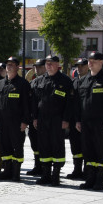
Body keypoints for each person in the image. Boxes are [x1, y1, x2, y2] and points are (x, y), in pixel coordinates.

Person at [73, 51, 103, 190]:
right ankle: (89, 179)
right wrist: (78, 120)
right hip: (86, 122)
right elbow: (79, 102)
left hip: (100, 123)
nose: (90, 63)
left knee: (100, 151)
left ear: (101, 62)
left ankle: (100, 180)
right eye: (89, 60)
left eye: (94, 60)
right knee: (87, 150)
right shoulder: (84, 80)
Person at [32, 55, 75, 186]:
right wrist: (34, 117)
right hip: (42, 119)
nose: (48, 66)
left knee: (57, 146)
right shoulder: (40, 80)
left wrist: (66, 119)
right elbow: (35, 100)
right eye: (47, 63)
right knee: (44, 146)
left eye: (51, 63)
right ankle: (46, 174)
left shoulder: (65, 81)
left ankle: (55, 175)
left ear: (58, 65)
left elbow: (70, 102)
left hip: (58, 119)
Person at [0, 57, 32, 182]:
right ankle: (7, 171)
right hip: (3, 122)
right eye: (7, 64)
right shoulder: (1, 83)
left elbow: (27, 104)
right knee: (4, 146)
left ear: (17, 67)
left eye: (12, 65)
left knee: (17, 147)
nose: (9, 67)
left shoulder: (23, 84)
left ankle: (16, 173)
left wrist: (25, 121)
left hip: (17, 122)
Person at [66, 58, 89, 179]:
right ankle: (77, 169)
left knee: (86, 145)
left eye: (82, 66)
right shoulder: (74, 83)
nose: (79, 68)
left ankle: (87, 170)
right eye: (78, 66)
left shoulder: (91, 81)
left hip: (86, 119)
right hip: (74, 120)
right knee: (75, 146)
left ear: (88, 67)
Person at [26, 58, 47, 176]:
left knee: (43, 143)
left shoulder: (48, 81)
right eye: (36, 67)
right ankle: (37, 166)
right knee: (34, 143)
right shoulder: (33, 82)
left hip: (44, 118)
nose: (37, 69)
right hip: (32, 118)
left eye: (39, 66)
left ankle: (45, 167)